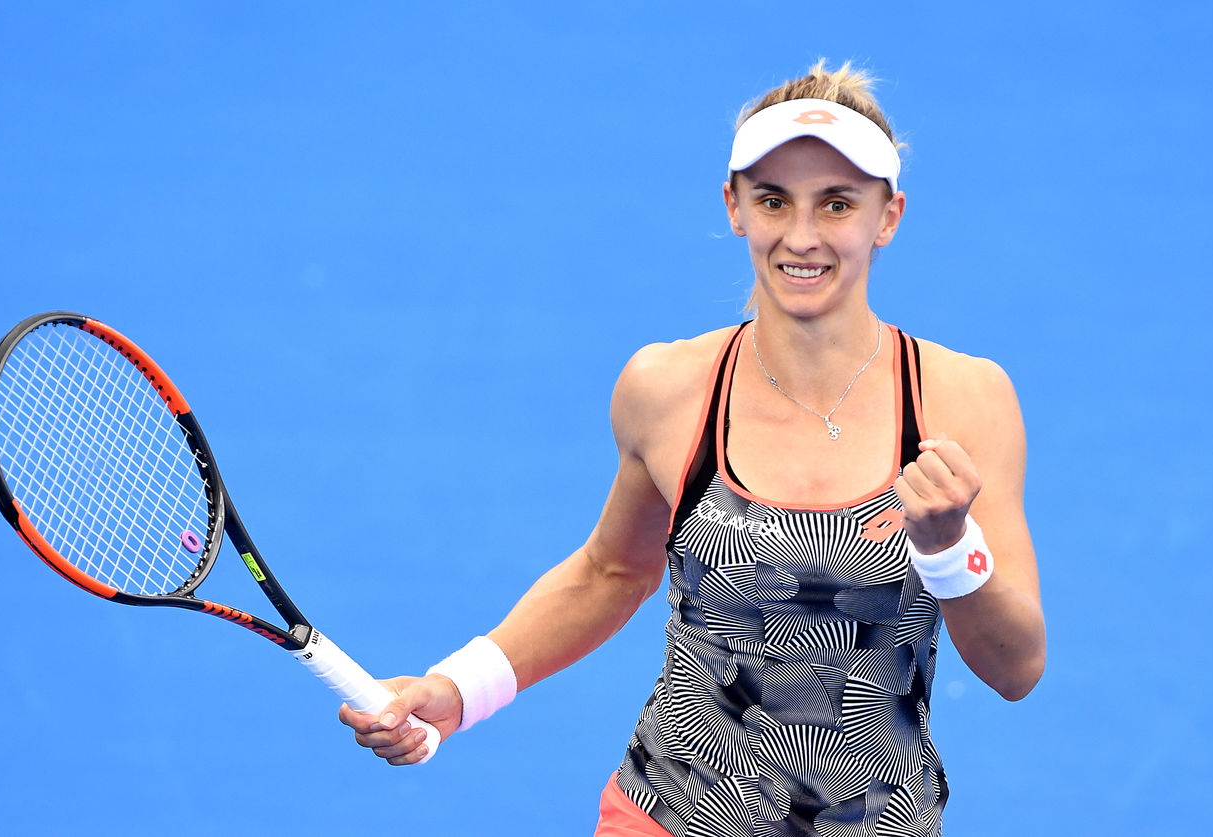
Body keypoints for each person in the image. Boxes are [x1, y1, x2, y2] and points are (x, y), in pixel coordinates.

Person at [340, 60, 1046, 836]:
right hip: (670, 813)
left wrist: (950, 549)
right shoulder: (667, 389)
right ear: (734, 206)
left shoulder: (963, 399)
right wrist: (459, 687)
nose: (802, 236)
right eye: (773, 200)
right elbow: (612, 569)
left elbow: (1017, 669)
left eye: (837, 204)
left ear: (889, 217)